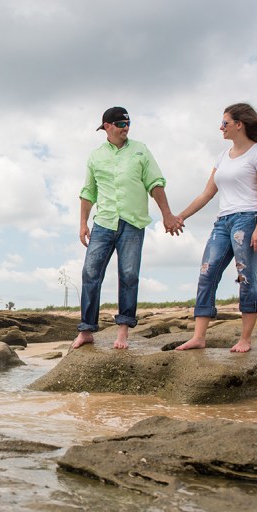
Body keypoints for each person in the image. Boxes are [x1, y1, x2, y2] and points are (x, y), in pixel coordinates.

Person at [174, 103, 257, 353]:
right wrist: (181, 216)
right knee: (207, 274)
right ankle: (199, 337)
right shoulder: (222, 157)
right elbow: (207, 194)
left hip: (248, 219)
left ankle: (245, 339)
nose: (221, 127)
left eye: (225, 123)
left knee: (245, 276)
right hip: (222, 222)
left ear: (239, 125)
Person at [72, 106, 182, 350]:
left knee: (129, 275)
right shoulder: (96, 156)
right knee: (90, 273)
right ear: (107, 127)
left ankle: (123, 331)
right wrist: (82, 223)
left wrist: (167, 214)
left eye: (128, 124)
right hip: (103, 223)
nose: (126, 128)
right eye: (121, 124)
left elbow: (155, 183)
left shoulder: (141, 150)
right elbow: (88, 192)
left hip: (133, 222)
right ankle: (86, 330)